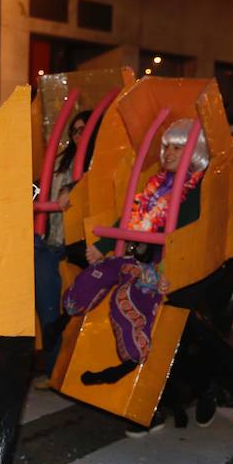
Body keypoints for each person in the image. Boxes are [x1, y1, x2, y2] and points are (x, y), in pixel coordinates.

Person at [62, 118, 209, 389]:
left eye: (178, 148)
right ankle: (74, 305)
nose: (169, 154)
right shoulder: (158, 183)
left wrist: (171, 270)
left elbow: (190, 238)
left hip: (162, 264)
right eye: (167, 147)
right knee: (95, 274)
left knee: (125, 298)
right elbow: (130, 218)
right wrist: (102, 246)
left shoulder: (198, 189)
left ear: (195, 152)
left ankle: (134, 353)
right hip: (135, 255)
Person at [34, 110, 93, 386]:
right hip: (52, 238)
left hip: (81, 245)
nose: (79, 135)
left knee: (56, 301)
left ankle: (57, 365)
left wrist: (76, 187)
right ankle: (51, 362)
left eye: (85, 129)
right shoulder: (60, 160)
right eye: (75, 130)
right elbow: (43, 189)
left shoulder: (101, 160)